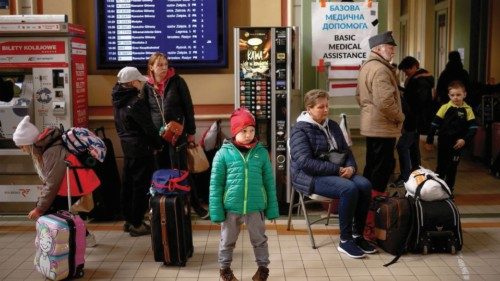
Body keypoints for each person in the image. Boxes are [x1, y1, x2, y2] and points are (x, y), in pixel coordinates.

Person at [290, 89, 375, 259]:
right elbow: (305, 163)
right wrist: (337, 170)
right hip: (309, 176)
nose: (326, 110)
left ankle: (358, 235)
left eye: (327, 106)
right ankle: (345, 240)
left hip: (337, 171)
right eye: (321, 107)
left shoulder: (333, 125)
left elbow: (347, 151)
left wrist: (351, 167)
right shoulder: (300, 130)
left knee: (365, 185)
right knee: (349, 189)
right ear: (309, 108)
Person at [209, 107, 279, 281]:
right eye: (244, 131)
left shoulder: (261, 153)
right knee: (227, 241)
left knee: (260, 240)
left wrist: (272, 208)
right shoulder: (222, 154)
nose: (249, 134)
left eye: (252, 130)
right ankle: (225, 269)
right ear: (234, 132)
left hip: (255, 207)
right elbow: (215, 185)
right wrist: (216, 211)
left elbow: (269, 182)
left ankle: (263, 269)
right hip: (231, 207)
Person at [13, 116, 99, 247]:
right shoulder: (46, 147)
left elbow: (52, 183)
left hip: (75, 185)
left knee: (53, 212)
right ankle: (83, 238)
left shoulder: (50, 152)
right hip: (72, 183)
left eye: (21, 146)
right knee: (60, 211)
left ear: (29, 143)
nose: (21, 150)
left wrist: (39, 208)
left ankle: (82, 238)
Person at [143, 52, 209, 219]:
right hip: (158, 137)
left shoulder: (177, 82)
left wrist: (191, 132)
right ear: (151, 67)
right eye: (159, 65)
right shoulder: (147, 87)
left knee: (182, 171)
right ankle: (164, 206)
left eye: (166, 64)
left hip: (178, 134)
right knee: (160, 171)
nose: (164, 68)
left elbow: (188, 108)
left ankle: (194, 206)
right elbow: (145, 112)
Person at [112, 66, 162, 236]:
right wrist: (158, 144)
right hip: (142, 149)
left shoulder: (117, 100)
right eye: (139, 81)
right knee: (140, 186)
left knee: (128, 183)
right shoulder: (135, 102)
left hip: (128, 147)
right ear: (133, 82)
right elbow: (148, 127)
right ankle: (136, 223)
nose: (141, 84)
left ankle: (128, 219)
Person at [356, 31, 404, 193]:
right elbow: (385, 103)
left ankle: (367, 205)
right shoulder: (381, 70)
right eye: (390, 47)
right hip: (382, 127)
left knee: (372, 165)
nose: (393, 51)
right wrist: (400, 116)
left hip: (372, 125)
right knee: (382, 168)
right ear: (378, 49)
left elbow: (358, 96)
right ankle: (375, 206)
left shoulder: (367, 66)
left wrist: (369, 111)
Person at [425, 80, 478, 190]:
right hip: (444, 142)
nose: (456, 97)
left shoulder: (468, 110)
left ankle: (449, 190)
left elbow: (473, 128)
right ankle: (436, 189)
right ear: (449, 95)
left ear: (464, 94)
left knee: (452, 167)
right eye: (452, 95)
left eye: (458, 95)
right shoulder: (444, 107)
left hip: (458, 144)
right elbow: (434, 124)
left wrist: (464, 140)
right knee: (441, 167)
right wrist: (429, 141)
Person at [395, 56, 435, 184]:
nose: (405, 74)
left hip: (414, 119)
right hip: (416, 119)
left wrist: (410, 112)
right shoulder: (420, 79)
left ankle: (405, 176)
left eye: (406, 70)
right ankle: (416, 172)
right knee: (413, 147)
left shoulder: (420, 81)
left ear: (414, 67)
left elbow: (418, 101)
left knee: (402, 146)